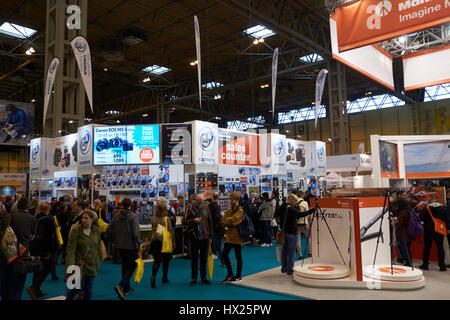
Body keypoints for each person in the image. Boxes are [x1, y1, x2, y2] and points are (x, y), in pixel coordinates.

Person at [0, 197, 36, 300]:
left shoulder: (7, 217)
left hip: (6, 253)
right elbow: (32, 237)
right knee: (18, 283)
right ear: (28, 207)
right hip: (21, 254)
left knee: (5, 280)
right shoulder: (32, 218)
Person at [64, 209, 103, 300]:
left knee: (88, 290)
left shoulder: (96, 230)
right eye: (82, 218)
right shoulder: (76, 231)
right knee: (76, 288)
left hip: (92, 265)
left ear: (92, 219)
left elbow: (98, 246)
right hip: (79, 265)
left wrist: (99, 260)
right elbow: (71, 250)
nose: (83, 220)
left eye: (86, 218)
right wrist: (70, 266)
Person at [108, 198, 141, 299]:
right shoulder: (133, 216)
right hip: (130, 245)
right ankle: (121, 285)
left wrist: (113, 240)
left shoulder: (116, 215)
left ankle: (126, 288)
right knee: (132, 265)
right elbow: (135, 233)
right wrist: (139, 243)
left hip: (119, 245)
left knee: (125, 265)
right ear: (130, 204)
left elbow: (109, 227)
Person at [277, 194, 314, 276]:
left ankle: (284, 268)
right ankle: (290, 270)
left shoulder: (282, 206)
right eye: (295, 200)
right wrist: (313, 210)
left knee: (284, 252)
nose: (296, 202)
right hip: (291, 233)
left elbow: (277, 215)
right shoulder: (291, 208)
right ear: (290, 199)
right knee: (292, 253)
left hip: (284, 232)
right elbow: (301, 215)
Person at [27, 202, 57, 300]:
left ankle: (37, 289)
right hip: (44, 249)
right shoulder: (49, 220)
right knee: (47, 268)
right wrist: (48, 251)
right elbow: (49, 237)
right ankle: (34, 288)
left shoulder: (34, 218)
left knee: (37, 268)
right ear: (48, 209)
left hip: (34, 247)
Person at [182, 194, 213, 286]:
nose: (201, 203)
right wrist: (193, 220)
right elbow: (184, 221)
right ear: (194, 200)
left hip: (205, 236)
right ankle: (194, 278)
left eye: (202, 201)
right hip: (194, 236)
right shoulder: (189, 208)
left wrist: (210, 236)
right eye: (200, 201)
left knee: (204, 259)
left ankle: (204, 278)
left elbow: (210, 221)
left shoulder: (206, 207)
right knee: (194, 259)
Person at [150, 204, 175, 288]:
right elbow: (170, 231)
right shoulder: (166, 219)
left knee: (156, 261)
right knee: (166, 260)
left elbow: (153, 229)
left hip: (155, 241)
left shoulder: (153, 218)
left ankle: (153, 276)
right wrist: (173, 241)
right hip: (164, 242)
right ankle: (164, 277)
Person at [221, 192, 245, 283]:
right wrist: (227, 220)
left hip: (237, 237)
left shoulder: (240, 210)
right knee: (224, 254)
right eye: (230, 199)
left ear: (237, 200)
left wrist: (227, 220)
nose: (231, 201)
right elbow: (223, 220)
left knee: (238, 256)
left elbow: (234, 220)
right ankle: (230, 274)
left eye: (232, 199)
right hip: (229, 236)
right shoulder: (230, 210)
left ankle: (238, 275)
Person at [419, 204, 448, 271]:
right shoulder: (443, 208)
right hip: (439, 230)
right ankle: (442, 266)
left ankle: (425, 264)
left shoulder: (425, 208)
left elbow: (421, 219)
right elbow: (446, 219)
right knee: (440, 248)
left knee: (427, 247)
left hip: (428, 230)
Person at [391, 197, 414, 267]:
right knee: (407, 249)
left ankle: (408, 264)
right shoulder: (408, 211)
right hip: (408, 233)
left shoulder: (402, 212)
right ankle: (409, 263)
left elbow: (400, 224)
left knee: (405, 250)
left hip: (403, 234)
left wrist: (394, 222)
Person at [209, 192, 226, 266]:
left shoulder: (209, 206)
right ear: (218, 198)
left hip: (210, 228)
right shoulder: (218, 207)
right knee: (221, 246)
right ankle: (223, 262)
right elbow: (217, 218)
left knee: (212, 245)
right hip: (217, 229)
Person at [296, 190, 310, 259]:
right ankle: (310, 252)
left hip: (296, 223)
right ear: (302, 195)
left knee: (298, 239)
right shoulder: (305, 203)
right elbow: (307, 213)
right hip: (304, 223)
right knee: (309, 238)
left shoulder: (294, 203)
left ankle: (300, 254)